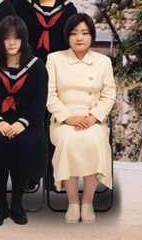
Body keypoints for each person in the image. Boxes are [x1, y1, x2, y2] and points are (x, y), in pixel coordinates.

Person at [0, 16, 48, 227]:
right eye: (6, 37)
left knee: (25, 143)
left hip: (27, 121)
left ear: (23, 38)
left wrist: (23, 122)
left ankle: (17, 205)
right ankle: (0, 206)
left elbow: (39, 100)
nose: (11, 42)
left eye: (16, 37)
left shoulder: (37, 66)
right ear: (0, 39)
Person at [46, 14, 115, 224]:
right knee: (69, 141)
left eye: (84, 33)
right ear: (67, 36)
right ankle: (73, 202)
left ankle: (87, 202)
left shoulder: (103, 61)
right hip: (63, 120)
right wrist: (68, 118)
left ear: (91, 36)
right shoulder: (54, 59)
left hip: (93, 119)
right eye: (74, 33)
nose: (79, 38)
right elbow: (49, 95)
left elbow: (109, 95)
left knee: (95, 140)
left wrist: (93, 118)